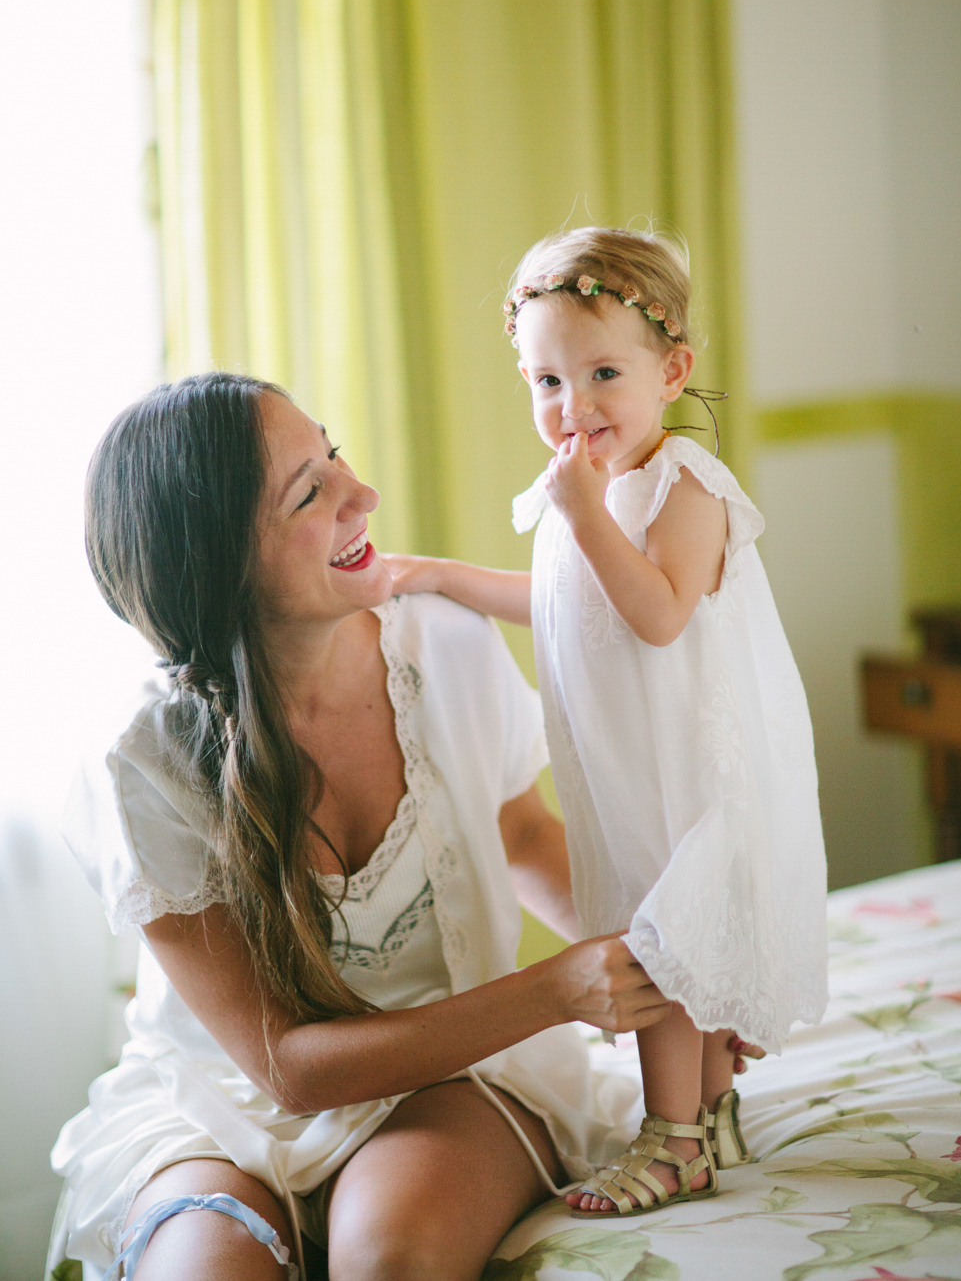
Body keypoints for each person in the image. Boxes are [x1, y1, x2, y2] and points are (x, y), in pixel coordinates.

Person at [49, 372, 762, 1281]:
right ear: (218, 562)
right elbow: (286, 1069)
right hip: (216, 1103)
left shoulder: (446, 646)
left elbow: (525, 837)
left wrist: (678, 972)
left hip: (453, 1072)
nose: (363, 495)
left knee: (392, 1259)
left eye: (333, 453)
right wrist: (560, 990)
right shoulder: (142, 762)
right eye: (310, 491)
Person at [384, 227, 828, 1218]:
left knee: (663, 933)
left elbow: (657, 611)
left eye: (601, 373)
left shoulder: (685, 487)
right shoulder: (591, 492)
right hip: (625, 762)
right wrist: (439, 575)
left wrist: (581, 513)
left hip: (686, 765)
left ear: (670, 372)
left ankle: (668, 1138)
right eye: (545, 381)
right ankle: (710, 1114)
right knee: (668, 930)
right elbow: (560, 598)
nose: (571, 408)